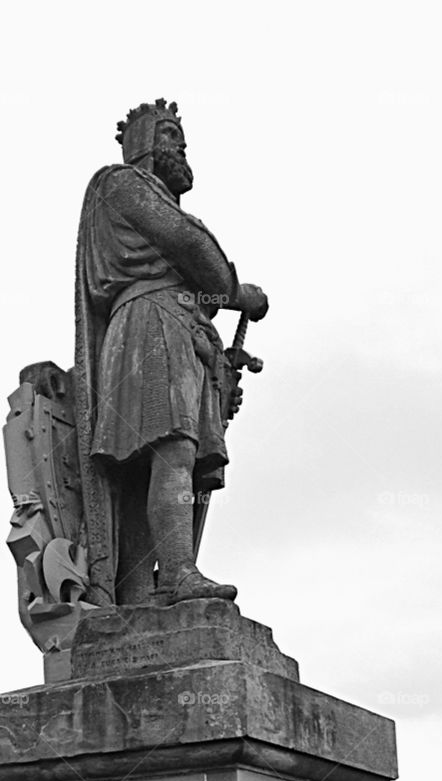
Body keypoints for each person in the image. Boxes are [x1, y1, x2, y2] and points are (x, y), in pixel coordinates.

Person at [74, 99, 267, 606]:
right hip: (151, 324)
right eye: (168, 134)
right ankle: (178, 573)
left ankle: (139, 592)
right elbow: (188, 243)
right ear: (141, 143)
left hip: (176, 327)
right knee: (171, 450)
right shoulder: (119, 184)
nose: (179, 146)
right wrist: (234, 291)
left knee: (154, 462)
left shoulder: (145, 194)